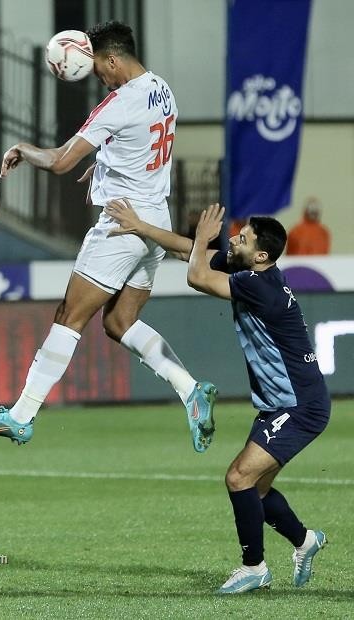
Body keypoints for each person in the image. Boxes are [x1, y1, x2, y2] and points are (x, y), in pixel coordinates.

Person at [0, 21, 217, 452]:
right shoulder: (163, 89)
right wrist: (104, 166)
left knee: (70, 316)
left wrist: (24, 149)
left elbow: (61, 161)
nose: (97, 76)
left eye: (98, 67)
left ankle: (22, 415)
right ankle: (190, 389)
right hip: (154, 221)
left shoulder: (117, 103)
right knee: (120, 322)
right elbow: (139, 147)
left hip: (122, 224)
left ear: (114, 59)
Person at [105, 199, 330, 594]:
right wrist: (140, 225)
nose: (232, 238)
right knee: (256, 489)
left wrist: (202, 239)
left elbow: (197, 277)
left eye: (241, 238)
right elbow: (184, 249)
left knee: (238, 477)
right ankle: (305, 540)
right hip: (284, 403)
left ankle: (254, 567)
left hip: (299, 406)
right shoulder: (250, 269)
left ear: (260, 254)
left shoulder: (260, 286)